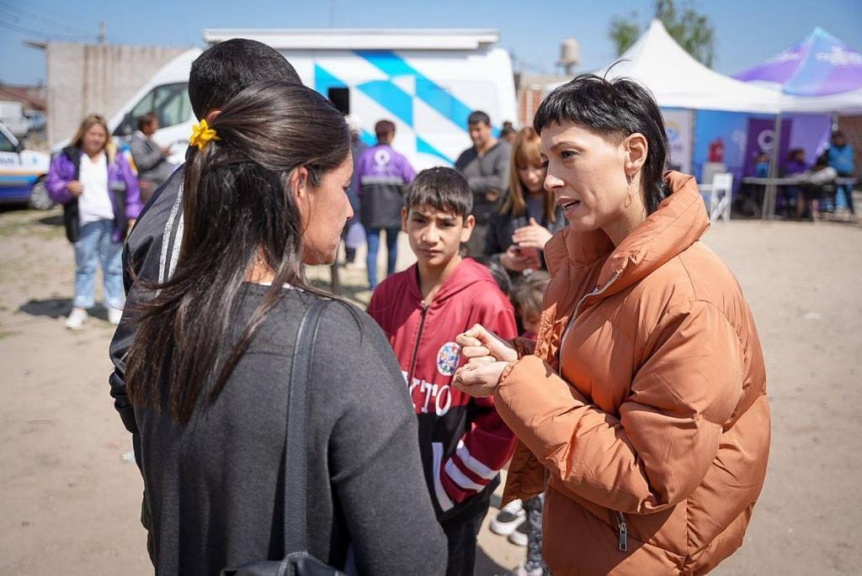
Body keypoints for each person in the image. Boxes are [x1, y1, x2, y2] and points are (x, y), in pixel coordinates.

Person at [125, 80, 448, 575]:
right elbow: (413, 560)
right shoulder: (340, 341)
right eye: (342, 186)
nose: (349, 207)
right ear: (300, 186)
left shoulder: (160, 319)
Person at [453, 74, 770, 575]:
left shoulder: (689, 297)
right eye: (547, 161)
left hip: (640, 555)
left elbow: (647, 475)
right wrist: (519, 359)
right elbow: (589, 384)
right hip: (594, 538)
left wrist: (516, 382)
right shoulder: (593, 259)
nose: (552, 178)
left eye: (569, 155)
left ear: (633, 153)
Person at [107, 38, 304, 559]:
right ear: (221, 120)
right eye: (273, 109)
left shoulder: (239, 189)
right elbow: (132, 360)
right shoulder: (183, 214)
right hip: (201, 491)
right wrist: (178, 454)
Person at [366, 167, 518, 576]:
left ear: (467, 227)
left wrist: (450, 486)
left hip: (456, 494)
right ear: (403, 220)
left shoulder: (487, 304)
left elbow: (502, 415)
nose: (429, 236)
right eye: (420, 220)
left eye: (445, 224)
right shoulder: (387, 294)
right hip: (394, 484)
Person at [47, 113, 141, 330]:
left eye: (101, 134)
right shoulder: (68, 157)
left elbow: (131, 189)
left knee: (114, 266)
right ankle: (80, 307)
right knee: (85, 266)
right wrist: (66, 188)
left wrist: (132, 215)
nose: (96, 139)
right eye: (92, 134)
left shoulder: (116, 158)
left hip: (111, 221)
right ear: (83, 134)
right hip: (84, 221)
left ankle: (114, 305)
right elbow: (53, 184)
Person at [497, 271, 550, 576]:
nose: (529, 328)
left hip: (546, 454)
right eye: (526, 320)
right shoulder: (526, 342)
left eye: (534, 320)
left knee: (541, 517)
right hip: (526, 446)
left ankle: (535, 566)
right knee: (533, 507)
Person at [484, 127, 566, 290]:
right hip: (516, 298)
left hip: (559, 296)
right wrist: (504, 261)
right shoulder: (503, 206)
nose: (530, 175)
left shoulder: (568, 201)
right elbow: (485, 257)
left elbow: (587, 261)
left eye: (537, 166)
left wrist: (551, 245)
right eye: (523, 167)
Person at [355, 119, 416, 290]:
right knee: (392, 246)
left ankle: (373, 285)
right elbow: (413, 180)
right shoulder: (399, 158)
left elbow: (357, 185)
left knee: (372, 249)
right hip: (393, 211)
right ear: (391, 135)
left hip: (371, 210)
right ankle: (390, 284)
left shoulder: (365, 157)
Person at [455, 110, 511, 257]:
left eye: (478, 130)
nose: (474, 135)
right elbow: (456, 184)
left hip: (498, 224)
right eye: (471, 130)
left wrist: (469, 183)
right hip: (472, 225)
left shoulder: (504, 151)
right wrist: (485, 187)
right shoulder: (465, 156)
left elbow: (502, 183)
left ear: (489, 128)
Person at [129, 112, 176, 201]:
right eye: (155, 124)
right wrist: (159, 153)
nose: (157, 127)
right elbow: (142, 162)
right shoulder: (137, 142)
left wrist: (164, 153)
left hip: (158, 183)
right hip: (150, 184)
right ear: (146, 126)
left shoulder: (148, 139)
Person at [826, 130, 856, 218]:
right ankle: (834, 211)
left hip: (847, 173)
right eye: (837, 138)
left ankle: (852, 212)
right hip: (835, 174)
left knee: (848, 193)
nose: (839, 140)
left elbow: (853, 160)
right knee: (833, 192)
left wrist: (854, 171)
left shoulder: (849, 148)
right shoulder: (830, 148)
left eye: (840, 138)